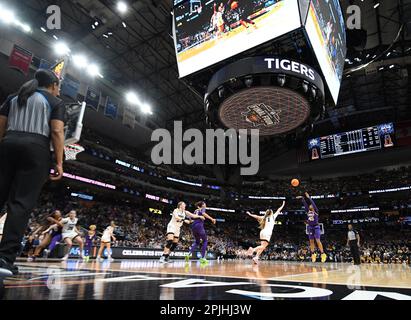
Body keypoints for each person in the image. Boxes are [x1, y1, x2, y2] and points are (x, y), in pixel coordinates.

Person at [0, 69, 65, 276]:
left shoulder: (13, 97)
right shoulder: (55, 103)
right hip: (36, 150)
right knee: (20, 204)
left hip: (7, 145)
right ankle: (4, 259)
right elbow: (56, 131)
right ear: (54, 85)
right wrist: (59, 162)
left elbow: (0, 125)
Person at [297, 192, 327, 263]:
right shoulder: (308, 211)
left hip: (316, 227)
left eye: (311, 205)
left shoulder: (316, 211)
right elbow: (305, 205)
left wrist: (309, 197)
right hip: (310, 227)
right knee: (311, 241)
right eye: (309, 205)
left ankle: (323, 254)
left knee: (317, 240)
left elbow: (313, 203)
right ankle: (313, 254)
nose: (310, 205)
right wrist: (302, 198)